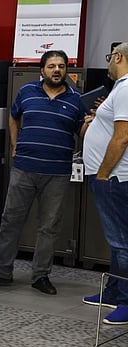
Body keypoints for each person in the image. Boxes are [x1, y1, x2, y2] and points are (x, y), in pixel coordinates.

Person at [0, 50, 85, 295]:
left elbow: (82, 133)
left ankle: (41, 276)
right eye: (51, 66)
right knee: (10, 221)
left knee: (49, 227)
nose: (56, 70)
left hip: (57, 172)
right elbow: (13, 117)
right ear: (42, 70)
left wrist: (92, 120)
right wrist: (14, 145)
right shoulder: (27, 92)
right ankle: (1, 272)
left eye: (61, 66)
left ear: (66, 70)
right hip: (24, 168)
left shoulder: (76, 99)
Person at [82, 42, 128, 325]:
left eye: (110, 58)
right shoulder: (121, 89)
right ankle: (113, 291)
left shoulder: (125, 88)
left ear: (119, 56)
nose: (108, 63)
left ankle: (125, 300)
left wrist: (102, 172)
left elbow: (122, 137)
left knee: (122, 242)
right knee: (117, 240)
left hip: (113, 177)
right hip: (111, 176)